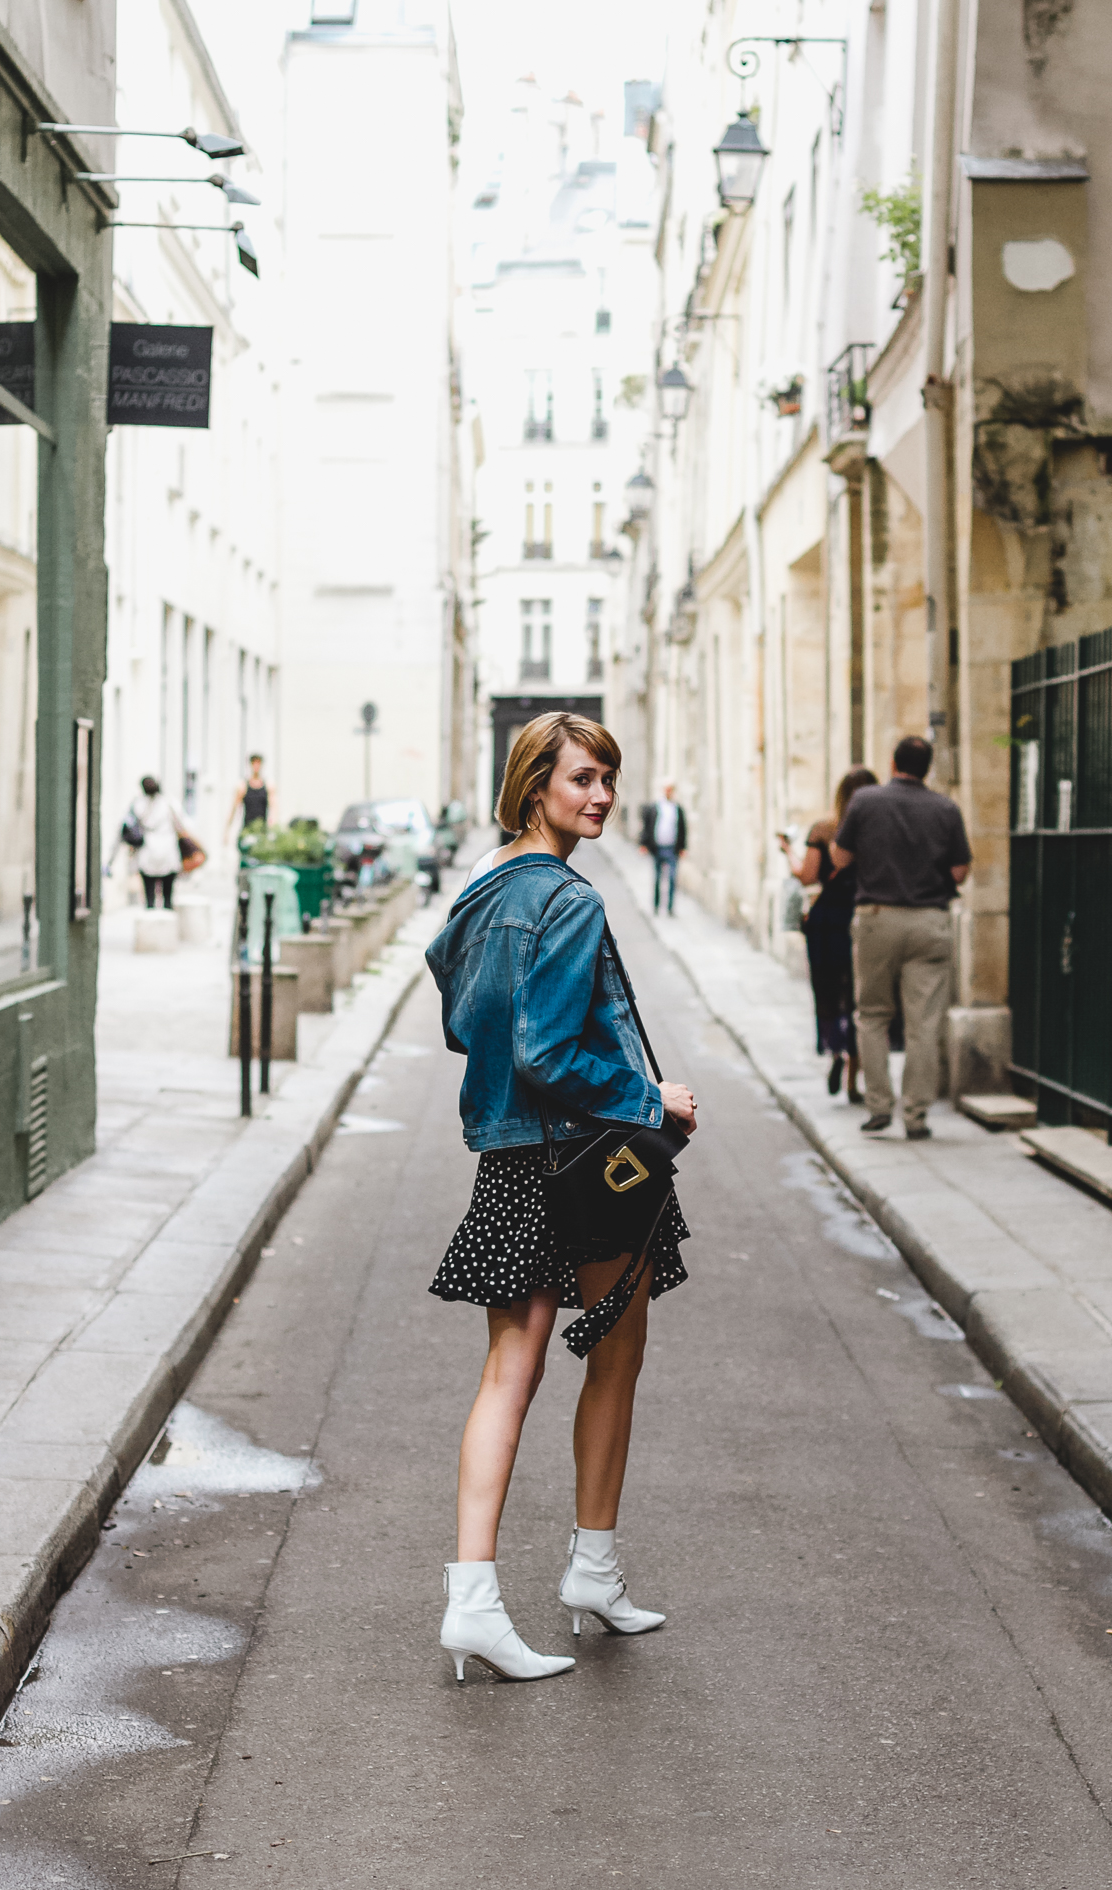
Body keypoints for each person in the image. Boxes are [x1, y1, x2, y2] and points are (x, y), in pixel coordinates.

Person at [425, 711, 698, 1683]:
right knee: (616, 1353)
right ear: (536, 781)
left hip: (506, 1156)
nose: (602, 798)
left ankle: (473, 1600)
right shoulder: (567, 900)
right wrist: (649, 1098)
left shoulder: (482, 890)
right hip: (587, 1160)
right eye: (583, 778)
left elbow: (467, 1020)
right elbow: (548, 1050)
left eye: (608, 780)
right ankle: (591, 1568)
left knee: (511, 1368)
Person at [831, 735, 972, 1141]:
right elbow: (961, 871)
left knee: (872, 1015)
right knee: (923, 1023)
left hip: (878, 917)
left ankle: (879, 1107)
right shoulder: (946, 808)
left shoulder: (866, 802)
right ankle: (916, 1115)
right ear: (927, 768)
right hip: (930, 920)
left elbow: (840, 858)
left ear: (893, 763)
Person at [780, 766, 878, 1102]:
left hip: (826, 922)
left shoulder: (824, 829)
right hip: (863, 920)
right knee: (859, 1000)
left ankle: (836, 1054)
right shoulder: (875, 832)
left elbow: (807, 877)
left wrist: (787, 851)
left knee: (829, 995)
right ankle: (853, 1080)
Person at [129, 776, 194, 911]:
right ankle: (167, 922)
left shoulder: (137, 804)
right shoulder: (169, 803)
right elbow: (184, 824)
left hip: (147, 853)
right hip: (168, 852)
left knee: (149, 897)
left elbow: (126, 828)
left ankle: (151, 921)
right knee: (168, 896)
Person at [639, 782, 688, 915]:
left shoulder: (677, 809)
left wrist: (683, 847)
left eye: (670, 790)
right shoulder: (655, 807)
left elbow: (683, 828)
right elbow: (647, 826)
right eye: (666, 790)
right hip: (657, 848)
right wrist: (643, 844)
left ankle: (670, 908)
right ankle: (656, 906)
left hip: (672, 848)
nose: (668, 792)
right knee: (657, 879)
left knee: (672, 878)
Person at [224, 754, 275, 841]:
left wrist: (272, 829)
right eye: (254, 763)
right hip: (247, 830)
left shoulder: (268, 786)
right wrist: (227, 831)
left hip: (262, 831)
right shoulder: (242, 786)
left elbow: (274, 809)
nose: (256, 766)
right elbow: (233, 809)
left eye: (258, 763)